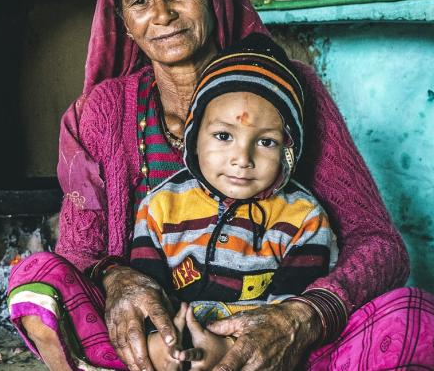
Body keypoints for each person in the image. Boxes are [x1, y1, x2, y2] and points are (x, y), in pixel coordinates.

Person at [7, 0, 434, 371]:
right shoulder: (101, 113)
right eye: (141, 0)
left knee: (418, 318)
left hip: (269, 336)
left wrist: (299, 318)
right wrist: (119, 277)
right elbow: (80, 254)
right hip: (158, 339)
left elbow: (378, 243)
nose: (162, 14)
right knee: (36, 280)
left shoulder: (292, 92)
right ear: (124, 21)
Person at [131, 35, 337, 371]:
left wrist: (226, 348)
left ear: (289, 152)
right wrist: (161, 342)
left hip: (255, 352)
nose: (242, 159)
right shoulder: (159, 208)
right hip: (173, 340)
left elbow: (290, 315)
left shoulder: (304, 219)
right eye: (224, 136)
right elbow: (146, 290)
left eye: (266, 142)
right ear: (193, 136)